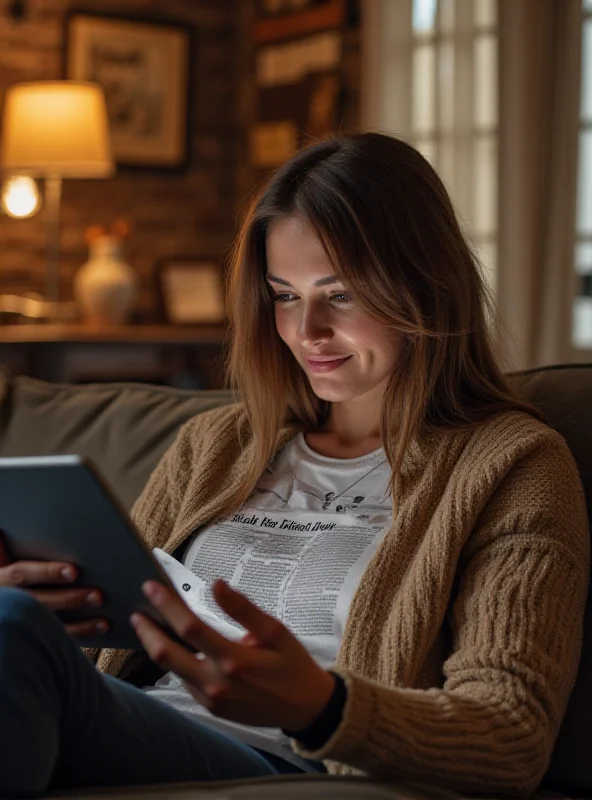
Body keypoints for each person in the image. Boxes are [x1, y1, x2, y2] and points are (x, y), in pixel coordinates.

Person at [0, 132, 588, 799]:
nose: (306, 331)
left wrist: (319, 704)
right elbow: (98, 658)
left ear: (425, 286)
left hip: (293, 760)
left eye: (339, 295)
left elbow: (510, 735)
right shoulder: (213, 445)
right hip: (132, 726)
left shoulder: (514, 467)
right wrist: (51, 604)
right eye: (284, 295)